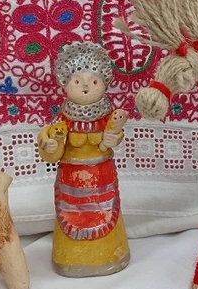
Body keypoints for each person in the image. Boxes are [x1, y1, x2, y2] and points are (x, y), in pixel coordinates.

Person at [37, 42, 130, 277]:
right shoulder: (62, 120)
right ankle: (70, 259)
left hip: (102, 180)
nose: (86, 86)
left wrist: (114, 137)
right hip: (71, 183)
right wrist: (51, 145)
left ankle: (111, 255)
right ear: (66, 84)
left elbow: (116, 136)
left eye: (94, 81)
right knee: (71, 219)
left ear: (104, 84)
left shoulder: (108, 117)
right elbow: (52, 152)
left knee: (106, 214)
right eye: (78, 82)